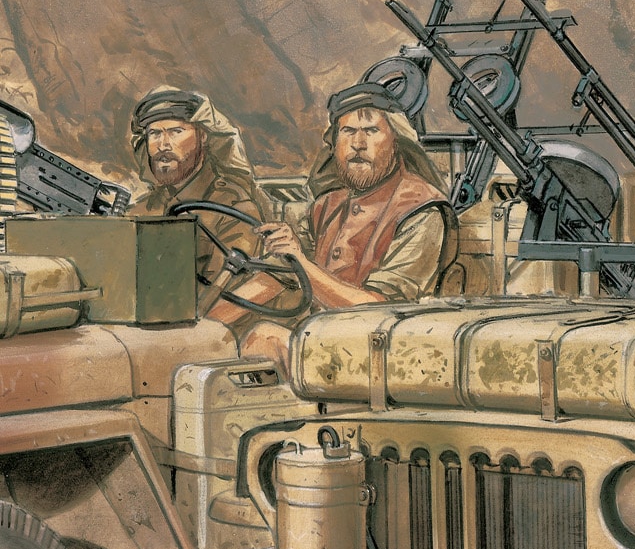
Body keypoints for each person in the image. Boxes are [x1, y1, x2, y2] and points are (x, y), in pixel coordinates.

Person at [222, 79, 452, 369]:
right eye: (348, 131)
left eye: (371, 131)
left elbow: (380, 310)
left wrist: (300, 261)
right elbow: (276, 276)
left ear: (396, 141)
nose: (358, 144)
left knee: (264, 339)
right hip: (323, 343)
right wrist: (206, 323)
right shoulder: (327, 205)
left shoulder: (421, 210)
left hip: (388, 356)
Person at [126, 87, 270, 286]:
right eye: (154, 133)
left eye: (176, 132)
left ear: (202, 137)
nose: (163, 145)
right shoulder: (140, 210)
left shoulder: (233, 207)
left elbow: (224, 293)